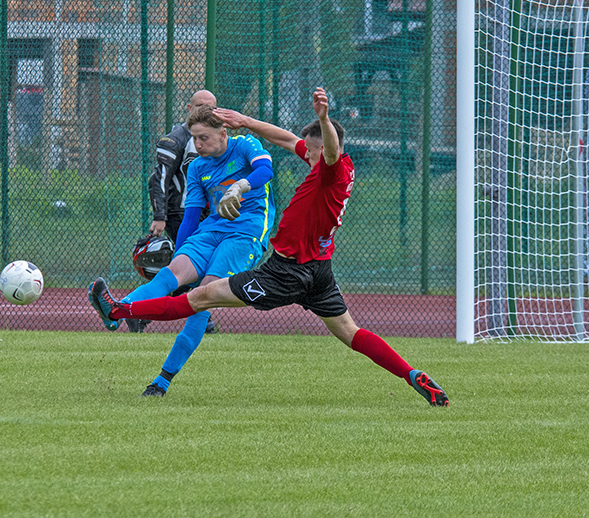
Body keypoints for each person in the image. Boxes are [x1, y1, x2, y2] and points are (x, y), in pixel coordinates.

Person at [89, 87, 449, 406]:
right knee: (350, 332)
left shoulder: (331, 167)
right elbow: (286, 139)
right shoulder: (327, 163)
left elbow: (327, 150)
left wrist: (323, 118)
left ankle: (120, 313)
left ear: (324, 149)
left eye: (310, 151)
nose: (302, 154)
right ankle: (411, 374)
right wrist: (247, 120)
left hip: (286, 271)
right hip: (319, 269)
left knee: (200, 298)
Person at [89, 104, 277, 397]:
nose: (198, 145)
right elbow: (191, 214)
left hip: (246, 232)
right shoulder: (198, 167)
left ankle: (161, 381)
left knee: (204, 293)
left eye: (204, 138)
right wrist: (182, 249)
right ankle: (115, 310)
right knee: (170, 274)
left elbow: (265, 170)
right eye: (194, 139)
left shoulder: (245, 146)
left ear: (223, 132)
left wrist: (241, 186)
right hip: (211, 230)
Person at [126, 90, 218, 334]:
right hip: (182, 213)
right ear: (189, 108)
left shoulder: (218, 137)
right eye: (199, 106)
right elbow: (159, 179)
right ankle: (198, 319)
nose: (204, 111)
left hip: (208, 214)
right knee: (191, 267)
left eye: (210, 107)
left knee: (193, 268)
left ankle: (140, 312)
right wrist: (160, 216)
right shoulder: (177, 138)